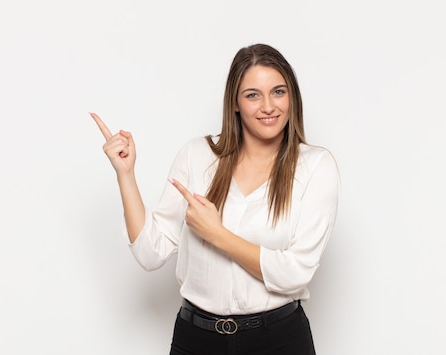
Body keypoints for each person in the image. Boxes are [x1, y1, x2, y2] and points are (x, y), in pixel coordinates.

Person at [91, 43, 339, 355]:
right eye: (253, 95)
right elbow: (150, 253)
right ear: (235, 103)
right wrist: (125, 174)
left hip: (277, 340)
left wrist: (216, 234)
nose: (268, 106)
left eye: (278, 91)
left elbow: (294, 273)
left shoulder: (315, 165)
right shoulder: (197, 156)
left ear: (292, 97)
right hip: (196, 339)